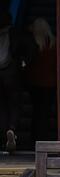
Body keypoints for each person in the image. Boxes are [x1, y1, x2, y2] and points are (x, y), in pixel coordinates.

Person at [26, 18, 57, 142]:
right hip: (50, 83)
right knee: (45, 112)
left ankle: (34, 139)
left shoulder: (33, 44)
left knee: (36, 111)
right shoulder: (54, 43)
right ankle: (44, 138)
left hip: (35, 83)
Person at [0, 11, 23, 152]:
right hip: (11, 73)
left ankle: (3, 138)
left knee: (1, 106)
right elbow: (21, 50)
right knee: (14, 104)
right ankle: (12, 129)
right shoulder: (15, 33)